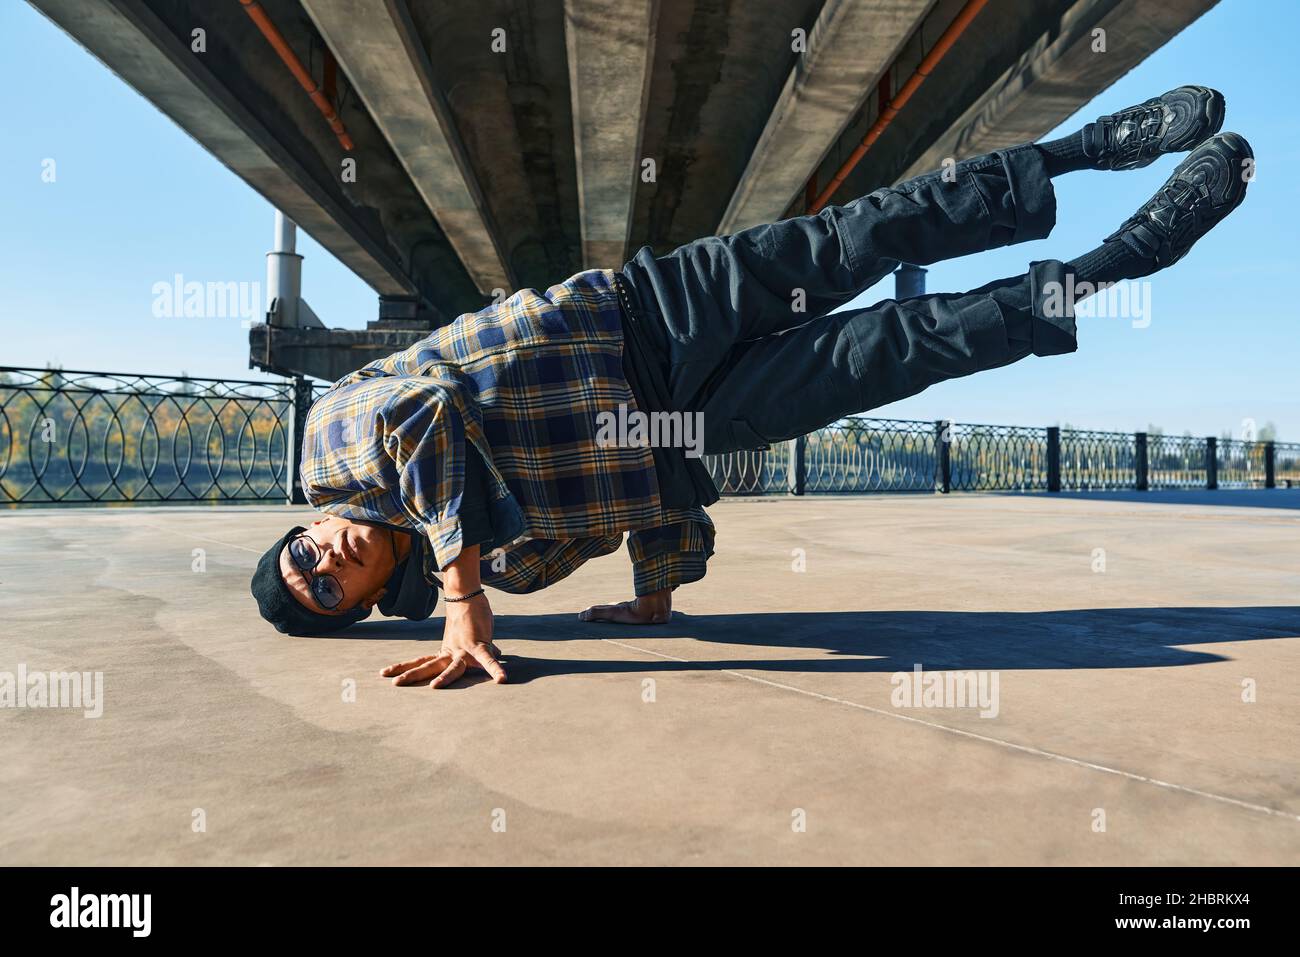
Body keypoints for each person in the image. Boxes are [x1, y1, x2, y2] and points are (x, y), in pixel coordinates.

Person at [250, 85, 1250, 690]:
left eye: (303, 556)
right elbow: (630, 506)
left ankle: (1084, 151)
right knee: (906, 348)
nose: (327, 556)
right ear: (370, 605)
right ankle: (1124, 259)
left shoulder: (331, 453)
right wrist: (658, 593)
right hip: (688, 427)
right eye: (328, 589)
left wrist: (461, 595)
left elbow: (422, 413)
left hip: (645, 314)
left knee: (867, 234)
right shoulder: (510, 572)